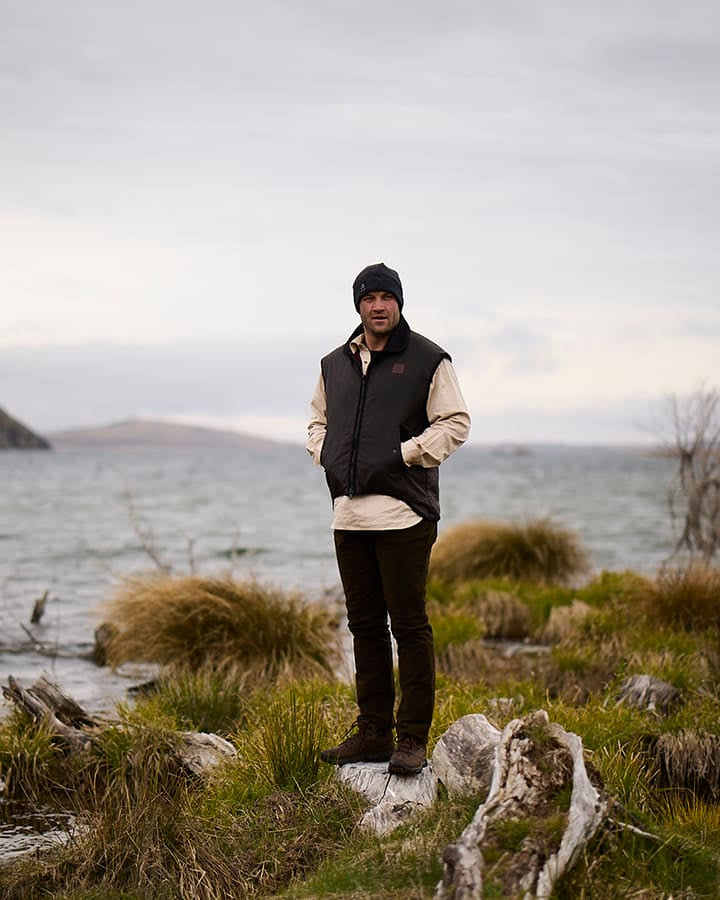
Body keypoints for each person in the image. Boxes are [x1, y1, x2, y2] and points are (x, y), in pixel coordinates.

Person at [307, 262, 470, 776]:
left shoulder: (427, 358)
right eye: (369, 297)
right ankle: (373, 733)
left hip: (405, 514)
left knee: (410, 626)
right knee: (364, 627)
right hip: (349, 516)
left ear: (399, 302)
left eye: (387, 297)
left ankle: (412, 738)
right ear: (358, 304)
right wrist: (326, 454)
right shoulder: (333, 364)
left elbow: (456, 422)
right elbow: (317, 422)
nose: (378, 306)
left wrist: (406, 453)